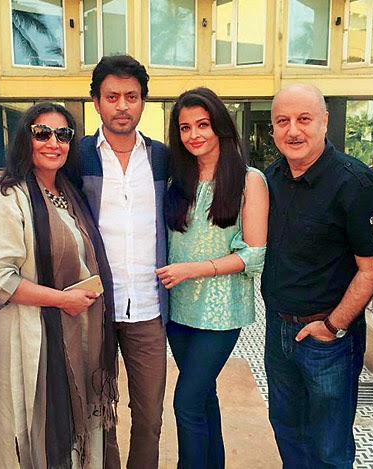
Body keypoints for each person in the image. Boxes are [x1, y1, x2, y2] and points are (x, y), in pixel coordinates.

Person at [0, 55, 169, 468]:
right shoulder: (78, 155)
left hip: (146, 308)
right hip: (90, 312)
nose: (122, 106)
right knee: (94, 409)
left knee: (149, 417)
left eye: (131, 96)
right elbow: (29, 194)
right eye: (111, 96)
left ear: (143, 101)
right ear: (96, 102)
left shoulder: (163, 159)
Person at [0, 102, 120, 468]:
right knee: (35, 432)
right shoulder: (10, 198)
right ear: (25, 140)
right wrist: (61, 300)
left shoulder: (70, 194)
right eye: (42, 133)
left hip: (77, 333)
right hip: (30, 339)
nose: (53, 142)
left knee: (79, 425)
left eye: (63, 134)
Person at [262, 83, 373, 468]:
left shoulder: (355, 183)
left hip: (328, 337)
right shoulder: (270, 178)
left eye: (304, 119)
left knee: (329, 445)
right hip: (278, 329)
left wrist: (333, 326)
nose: (293, 130)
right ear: (272, 128)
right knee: (287, 429)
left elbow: (372, 268)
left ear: (325, 121)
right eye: (283, 121)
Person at [156, 87, 268, 468]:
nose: (194, 135)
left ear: (220, 126)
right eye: (185, 127)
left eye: (202, 124)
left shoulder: (249, 181)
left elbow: (254, 255)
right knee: (203, 398)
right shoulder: (177, 182)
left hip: (221, 312)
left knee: (186, 402)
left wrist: (193, 269)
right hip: (179, 310)